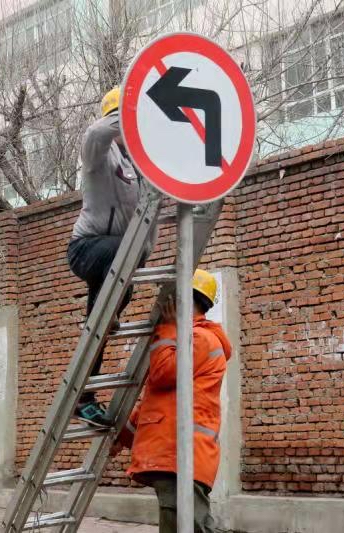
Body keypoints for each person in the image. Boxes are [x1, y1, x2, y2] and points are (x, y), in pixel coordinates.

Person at [112, 269, 231, 533]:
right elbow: (157, 402)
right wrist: (123, 437)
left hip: (183, 453)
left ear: (183, 300)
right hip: (175, 453)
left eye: (170, 298)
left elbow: (163, 374)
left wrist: (166, 328)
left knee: (192, 526)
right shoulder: (186, 339)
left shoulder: (199, 338)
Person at [67, 86, 156, 426]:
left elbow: (147, 213)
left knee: (101, 326)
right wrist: (132, 112)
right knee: (122, 254)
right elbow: (95, 132)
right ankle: (104, 317)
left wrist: (144, 253)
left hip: (118, 258)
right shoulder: (98, 155)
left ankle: (84, 398)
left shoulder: (137, 165)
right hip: (87, 248)